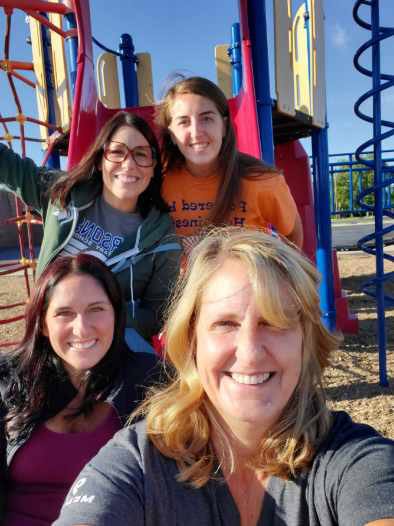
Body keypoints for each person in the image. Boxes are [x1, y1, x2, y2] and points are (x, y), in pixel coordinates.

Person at [55, 228, 394, 526]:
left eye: (274, 323)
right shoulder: (137, 464)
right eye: (225, 324)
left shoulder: (354, 461)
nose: (249, 352)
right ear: (191, 342)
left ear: (306, 341)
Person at [0, 254, 160, 525]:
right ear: (43, 325)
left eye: (96, 309)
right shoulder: (7, 382)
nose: (82, 328)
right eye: (64, 313)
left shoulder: (151, 381)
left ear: (116, 316)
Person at [0, 111, 181, 344]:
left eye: (141, 154)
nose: (128, 164)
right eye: (117, 152)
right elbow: (9, 167)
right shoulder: (64, 193)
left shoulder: (160, 237)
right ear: (100, 159)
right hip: (50, 337)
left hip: (114, 346)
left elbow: (158, 314)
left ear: (153, 166)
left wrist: (102, 318)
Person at [157, 76, 304, 252]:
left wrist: (280, 274)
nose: (196, 132)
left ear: (224, 126)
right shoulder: (158, 181)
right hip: (184, 280)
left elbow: (292, 234)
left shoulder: (262, 180)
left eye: (207, 118)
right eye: (183, 122)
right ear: (172, 135)